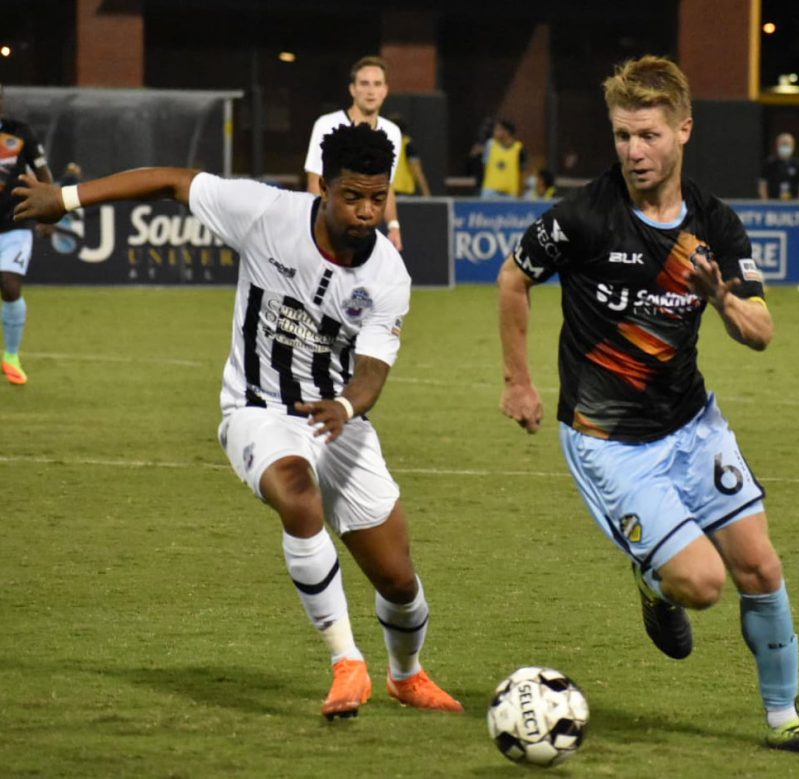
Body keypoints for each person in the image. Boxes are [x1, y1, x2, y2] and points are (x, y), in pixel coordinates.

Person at [14, 123, 463, 720]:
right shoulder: (266, 213)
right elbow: (172, 181)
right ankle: (345, 663)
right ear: (323, 188)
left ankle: (405, 676)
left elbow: (373, 371)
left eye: (377, 199)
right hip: (259, 409)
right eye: (353, 197)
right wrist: (67, 199)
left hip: (340, 423)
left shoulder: (388, 275)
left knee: (400, 584)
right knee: (297, 498)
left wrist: (348, 408)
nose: (365, 212)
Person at [497, 55, 799, 757]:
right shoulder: (584, 216)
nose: (634, 150)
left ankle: (786, 720)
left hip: (692, 424)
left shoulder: (716, 224)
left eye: (648, 134)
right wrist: (518, 382)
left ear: (683, 129)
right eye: (623, 134)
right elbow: (512, 277)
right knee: (704, 583)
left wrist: (720, 298)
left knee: (762, 568)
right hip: (609, 438)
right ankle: (655, 581)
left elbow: (761, 332)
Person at [304, 56, 404, 251]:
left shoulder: (392, 132)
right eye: (364, 83)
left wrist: (393, 226)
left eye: (377, 84)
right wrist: (319, 229)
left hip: (364, 231)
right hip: (329, 228)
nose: (371, 90)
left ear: (385, 90)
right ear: (353, 89)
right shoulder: (326, 125)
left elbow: (386, 186)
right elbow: (315, 182)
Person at [0, 82, 54, 385]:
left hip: (15, 220)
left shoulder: (20, 133)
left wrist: (51, 211)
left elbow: (44, 174)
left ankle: (10, 356)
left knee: (8, 284)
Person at [480, 119, 527, 198]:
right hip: (490, 192)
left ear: (506, 132)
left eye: (498, 129)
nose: (494, 132)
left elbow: (522, 171)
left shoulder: (518, 148)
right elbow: (485, 164)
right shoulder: (490, 145)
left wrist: (521, 190)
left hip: (510, 193)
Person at [388, 114, 431, 197]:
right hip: (401, 191)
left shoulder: (405, 145)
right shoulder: (407, 144)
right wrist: (426, 194)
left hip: (388, 192)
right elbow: (418, 171)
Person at [758, 132, 799, 201]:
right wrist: (765, 202)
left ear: (793, 146)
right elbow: (762, 184)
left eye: (787, 144)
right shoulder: (769, 163)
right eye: (783, 144)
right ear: (777, 145)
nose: (785, 147)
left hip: (794, 203)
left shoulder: (797, 164)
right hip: (773, 202)